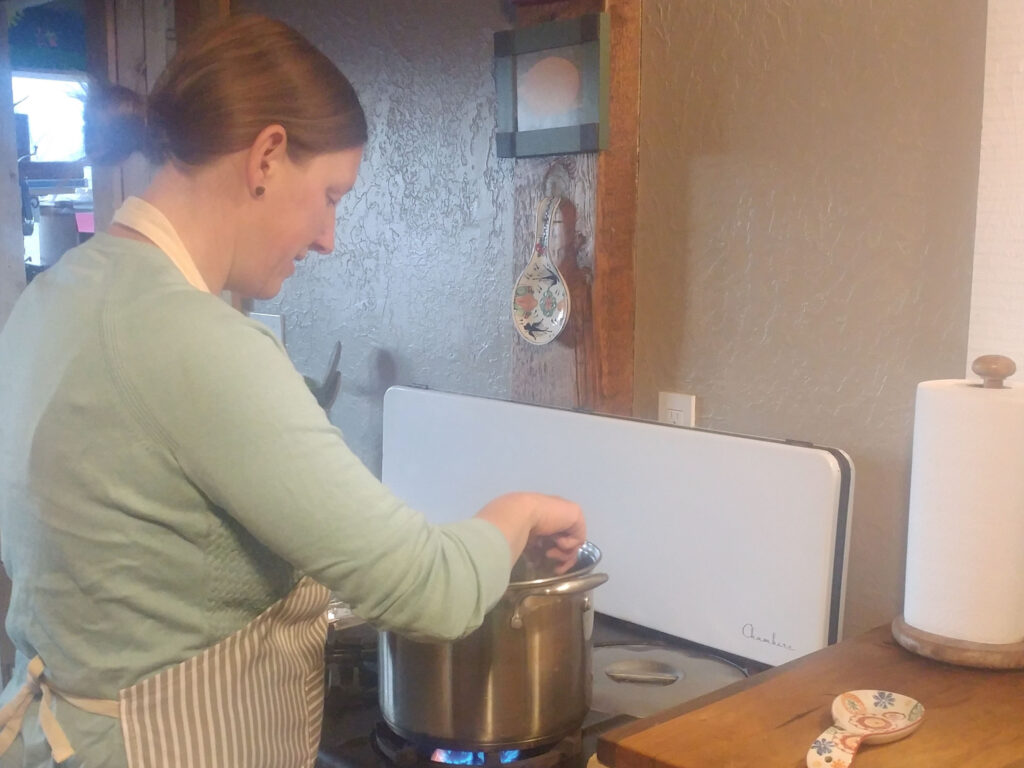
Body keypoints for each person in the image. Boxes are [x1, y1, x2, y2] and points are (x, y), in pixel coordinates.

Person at [0, 14, 585, 768]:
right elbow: (433, 592)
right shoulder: (198, 341)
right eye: (332, 195)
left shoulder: (56, 296)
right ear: (268, 156)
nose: (328, 238)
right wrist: (522, 511)